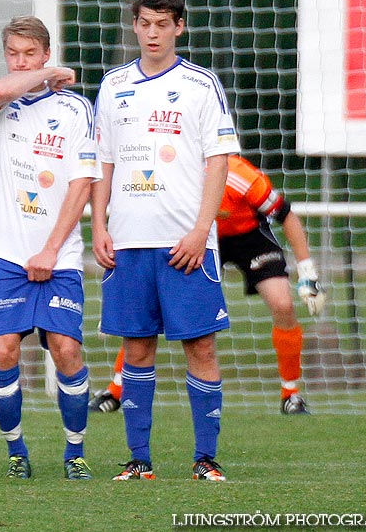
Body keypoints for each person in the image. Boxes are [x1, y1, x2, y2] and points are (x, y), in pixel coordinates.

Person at [91, 0, 240, 482]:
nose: (153, 33)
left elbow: (218, 160)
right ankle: (139, 461)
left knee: (200, 347)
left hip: (186, 243)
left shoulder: (201, 85)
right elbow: (103, 164)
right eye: (145, 24)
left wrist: (202, 230)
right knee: (136, 349)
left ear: (179, 27)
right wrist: (98, 226)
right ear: (134, 25)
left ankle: (206, 459)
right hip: (129, 241)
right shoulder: (113, 85)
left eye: (163, 24)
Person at [89, 154, 327, 416]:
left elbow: (286, 215)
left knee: (282, 304)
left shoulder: (240, 176)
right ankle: (117, 389)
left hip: (248, 239)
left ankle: (291, 394)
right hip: (195, 239)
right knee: (155, 309)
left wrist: (307, 272)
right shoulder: (173, 171)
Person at [0, 16, 100, 480]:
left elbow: (82, 184)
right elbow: (1, 93)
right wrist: (43, 76)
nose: (21, 61)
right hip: (4, 251)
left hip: (59, 253)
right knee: (4, 349)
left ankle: (75, 452)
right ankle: (16, 451)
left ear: (46, 52)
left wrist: (49, 250)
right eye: (14, 54)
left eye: (31, 54)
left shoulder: (75, 109)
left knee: (66, 349)